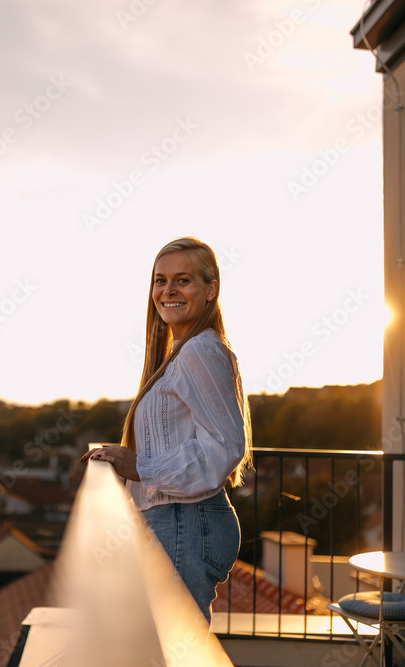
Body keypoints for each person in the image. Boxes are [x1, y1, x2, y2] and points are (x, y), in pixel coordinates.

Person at [80, 236, 252, 623]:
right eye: (160, 280)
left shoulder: (199, 351)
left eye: (183, 280)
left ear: (211, 290)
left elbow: (225, 446)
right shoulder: (183, 352)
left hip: (187, 523)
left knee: (172, 651)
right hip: (178, 521)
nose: (167, 290)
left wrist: (143, 467)